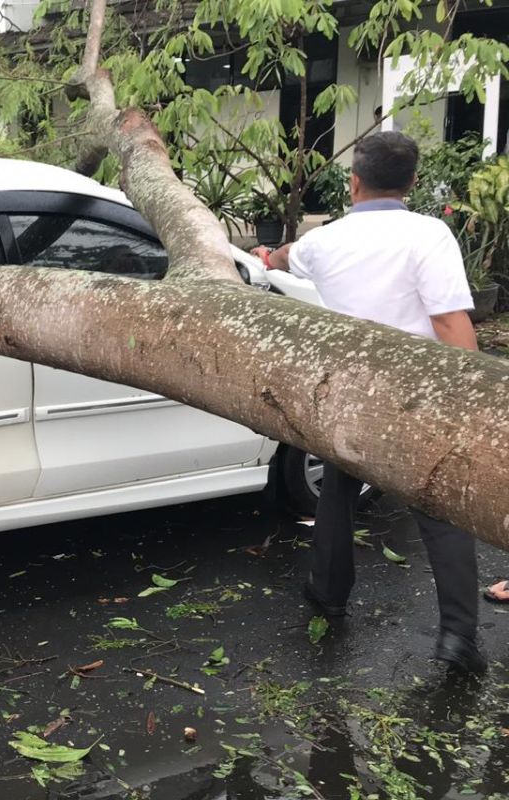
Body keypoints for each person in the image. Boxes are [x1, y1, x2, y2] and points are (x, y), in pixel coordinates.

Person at [251, 131, 486, 675]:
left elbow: (286, 257)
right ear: (413, 183)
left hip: (348, 393)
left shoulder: (326, 240)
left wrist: (269, 254)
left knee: (338, 488)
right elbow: (450, 322)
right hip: (416, 394)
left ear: (353, 181)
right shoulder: (430, 234)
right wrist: (469, 400)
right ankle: (456, 636)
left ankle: (327, 595)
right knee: (441, 511)